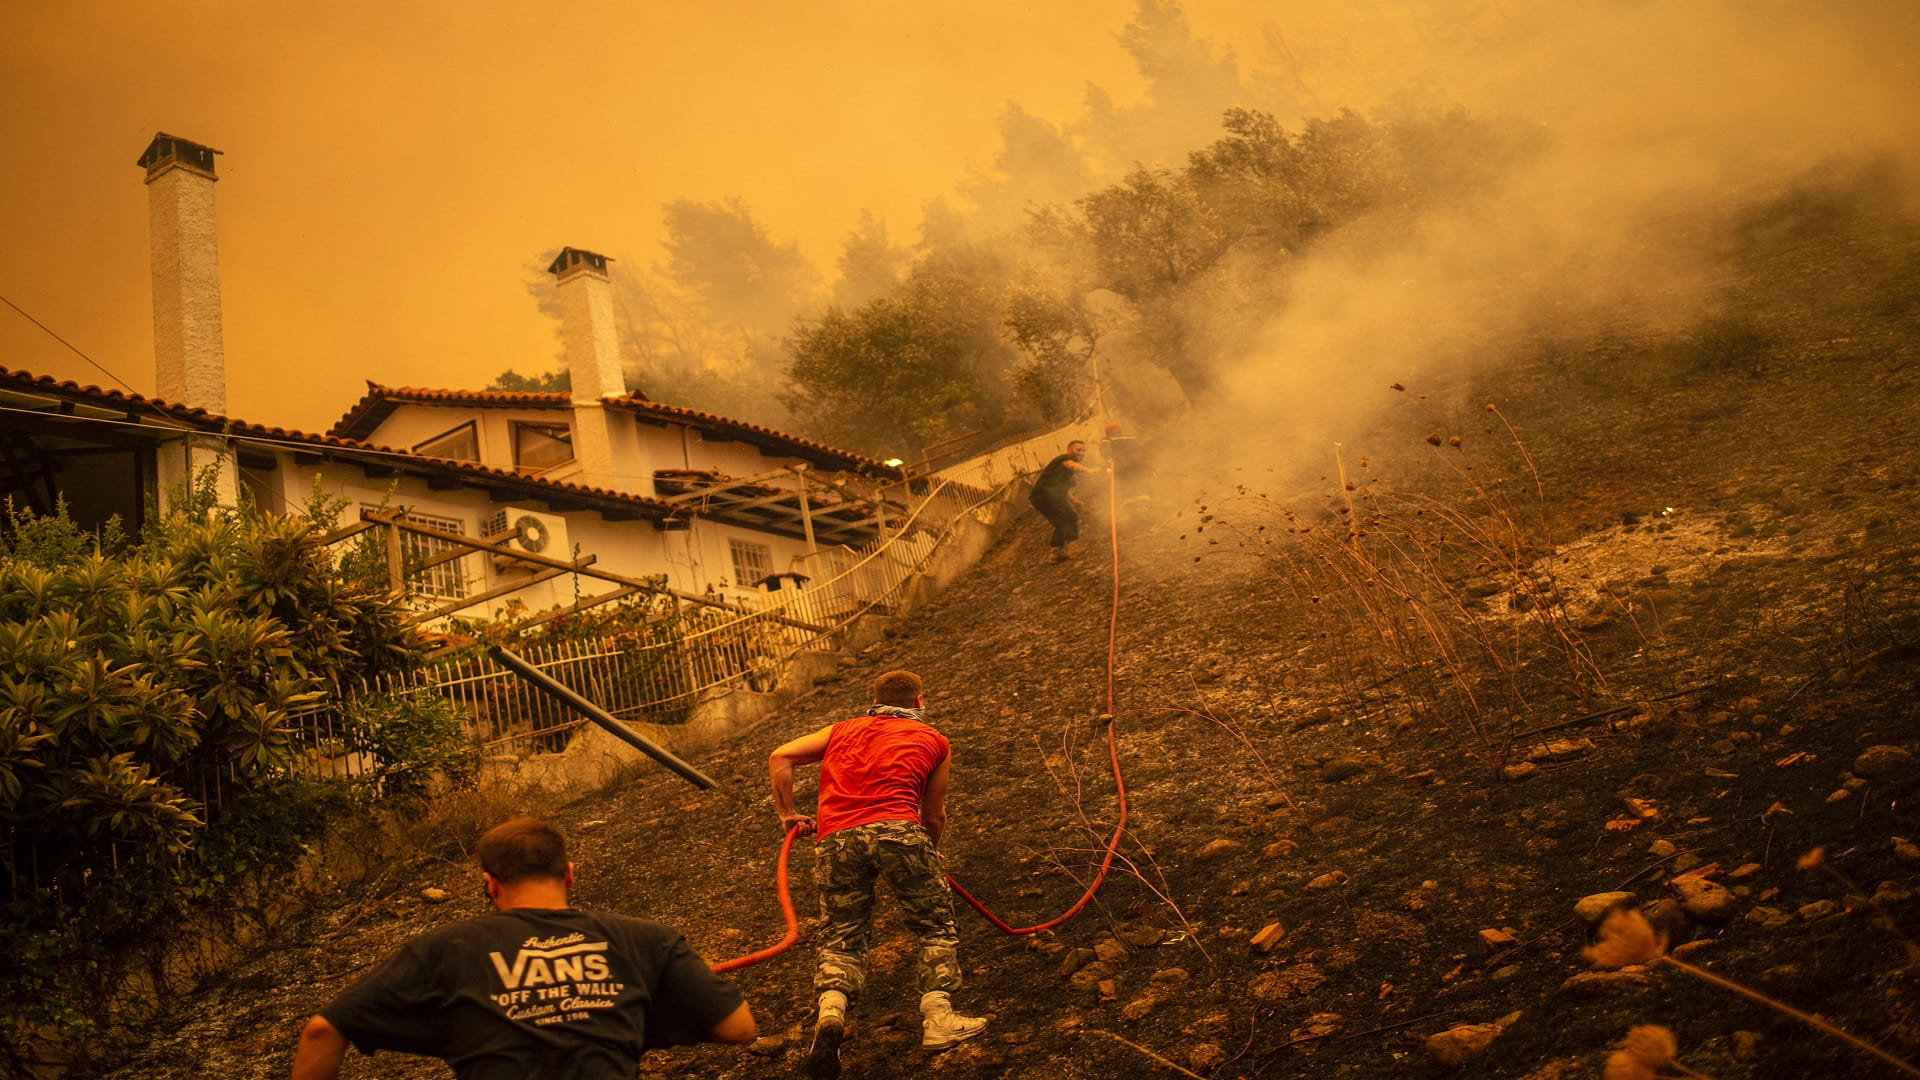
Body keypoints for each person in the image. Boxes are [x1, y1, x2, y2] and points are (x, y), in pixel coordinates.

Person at [289, 817, 755, 1080]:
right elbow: (739, 1029)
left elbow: (320, 1032)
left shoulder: (444, 949)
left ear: (489, 885)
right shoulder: (647, 938)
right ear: (570, 874)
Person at [768, 670, 987, 1080]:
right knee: (933, 925)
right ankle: (939, 1018)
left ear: (875, 700)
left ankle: (831, 1013)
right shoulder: (935, 740)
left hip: (836, 841)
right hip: (900, 832)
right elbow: (933, 813)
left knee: (842, 933)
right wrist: (930, 852)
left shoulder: (841, 730)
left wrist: (787, 814)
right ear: (919, 702)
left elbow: (780, 756)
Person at [1028, 439, 1100, 561]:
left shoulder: (1068, 475)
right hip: (1045, 496)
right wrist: (1087, 470)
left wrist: (1074, 500)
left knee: (1063, 520)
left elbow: (1066, 490)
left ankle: (1057, 552)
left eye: (1083, 451)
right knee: (1068, 517)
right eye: (1078, 450)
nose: (1081, 453)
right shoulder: (1062, 459)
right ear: (1069, 450)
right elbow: (1071, 464)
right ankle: (1069, 547)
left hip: (1044, 498)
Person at [1097, 422, 1154, 523]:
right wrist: (1110, 460)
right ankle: (1136, 514)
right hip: (1124, 468)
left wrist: (1146, 464)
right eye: (1112, 429)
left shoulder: (1124, 439)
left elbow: (1139, 450)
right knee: (1130, 490)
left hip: (1132, 467)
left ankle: (1143, 510)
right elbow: (1106, 452)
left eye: (1115, 428)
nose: (1114, 431)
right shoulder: (1108, 440)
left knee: (1139, 488)